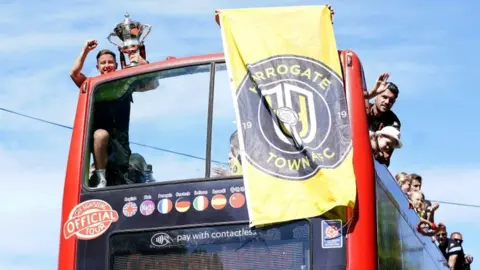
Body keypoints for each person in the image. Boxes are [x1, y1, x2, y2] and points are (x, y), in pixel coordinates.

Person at [69, 40, 151, 188]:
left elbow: (151, 82)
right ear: (98, 67)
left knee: (131, 166)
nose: (107, 65)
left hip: (121, 143)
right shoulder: (93, 85)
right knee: (100, 135)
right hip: (100, 144)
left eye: (110, 62)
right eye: (103, 63)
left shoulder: (124, 82)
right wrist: (85, 50)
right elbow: (74, 73)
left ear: (116, 65)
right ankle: (101, 178)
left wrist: (142, 61)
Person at [364, 72, 401, 166]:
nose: (387, 102)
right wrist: (370, 94)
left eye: (391, 100)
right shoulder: (364, 107)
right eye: (384, 97)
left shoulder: (393, 122)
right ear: (377, 96)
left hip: (371, 164)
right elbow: (348, 97)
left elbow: (385, 155)